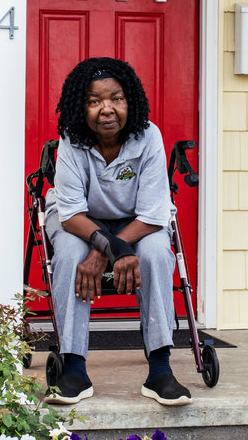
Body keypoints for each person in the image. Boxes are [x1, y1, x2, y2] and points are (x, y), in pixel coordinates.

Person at [42, 57, 192, 406]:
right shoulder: (71, 140)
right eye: (94, 101)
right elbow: (71, 217)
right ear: (81, 107)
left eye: (116, 98)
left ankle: (160, 369)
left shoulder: (148, 136)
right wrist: (109, 248)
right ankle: (74, 369)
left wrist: (106, 251)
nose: (106, 109)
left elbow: (154, 214)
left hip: (137, 223)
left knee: (156, 252)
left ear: (130, 101)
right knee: (67, 254)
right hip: (79, 223)